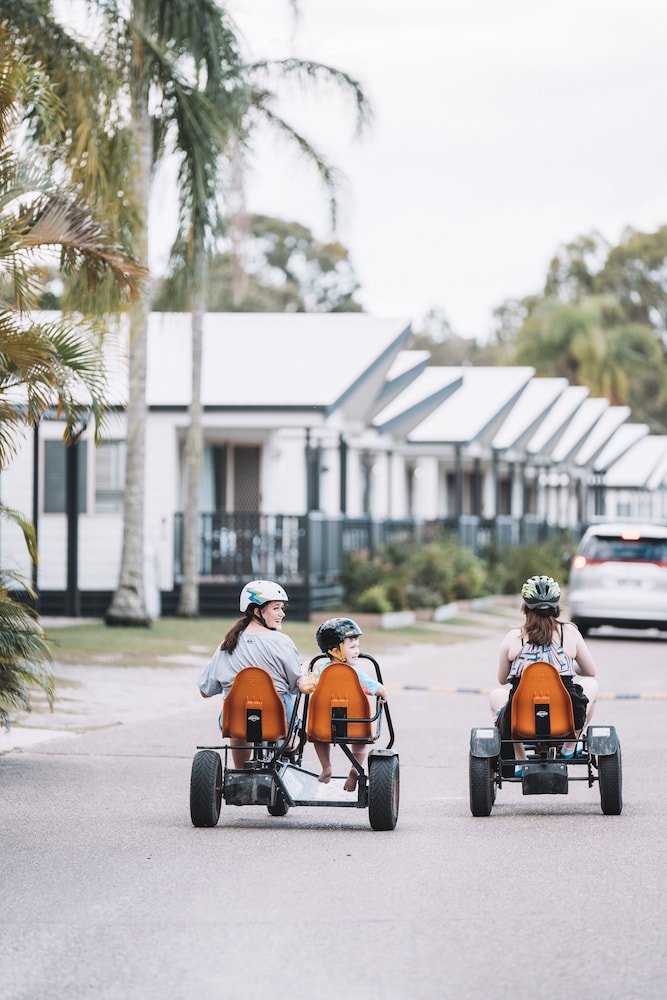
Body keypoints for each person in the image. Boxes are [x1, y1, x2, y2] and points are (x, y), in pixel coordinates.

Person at [198, 580, 309, 767]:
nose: (282, 613)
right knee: (286, 704)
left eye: (282, 608)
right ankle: (289, 745)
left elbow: (205, 690)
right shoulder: (282, 642)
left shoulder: (226, 645)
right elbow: (294, 685)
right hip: (278, 719)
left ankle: (240, 770)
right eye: (276, 608)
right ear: (257, 611)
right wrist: (304, 669)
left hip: (235, 720)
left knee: (238, 715)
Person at [490, 575, 599, 762]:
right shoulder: (570, 633)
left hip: (522, 722)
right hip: (566, 720)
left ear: (525, 607)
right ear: (556, 607)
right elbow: (590, 671)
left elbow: (502, 679)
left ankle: (520, 758)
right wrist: (563, 665)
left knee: (497, 694)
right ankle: (569, 748)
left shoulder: (514, 637)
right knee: (591, 683)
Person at [309, 617, 388, 792]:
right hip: (356, 725)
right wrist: (382, 691)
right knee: (361, 742)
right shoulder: (356, 673)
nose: (358, 651)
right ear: (336, 650)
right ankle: (355, 768)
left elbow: (309, 685)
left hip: (324, 725)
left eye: (357, 646)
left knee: (319, 738)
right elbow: (372, 687)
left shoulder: (320, 670)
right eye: (352, 647)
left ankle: (326, 767)